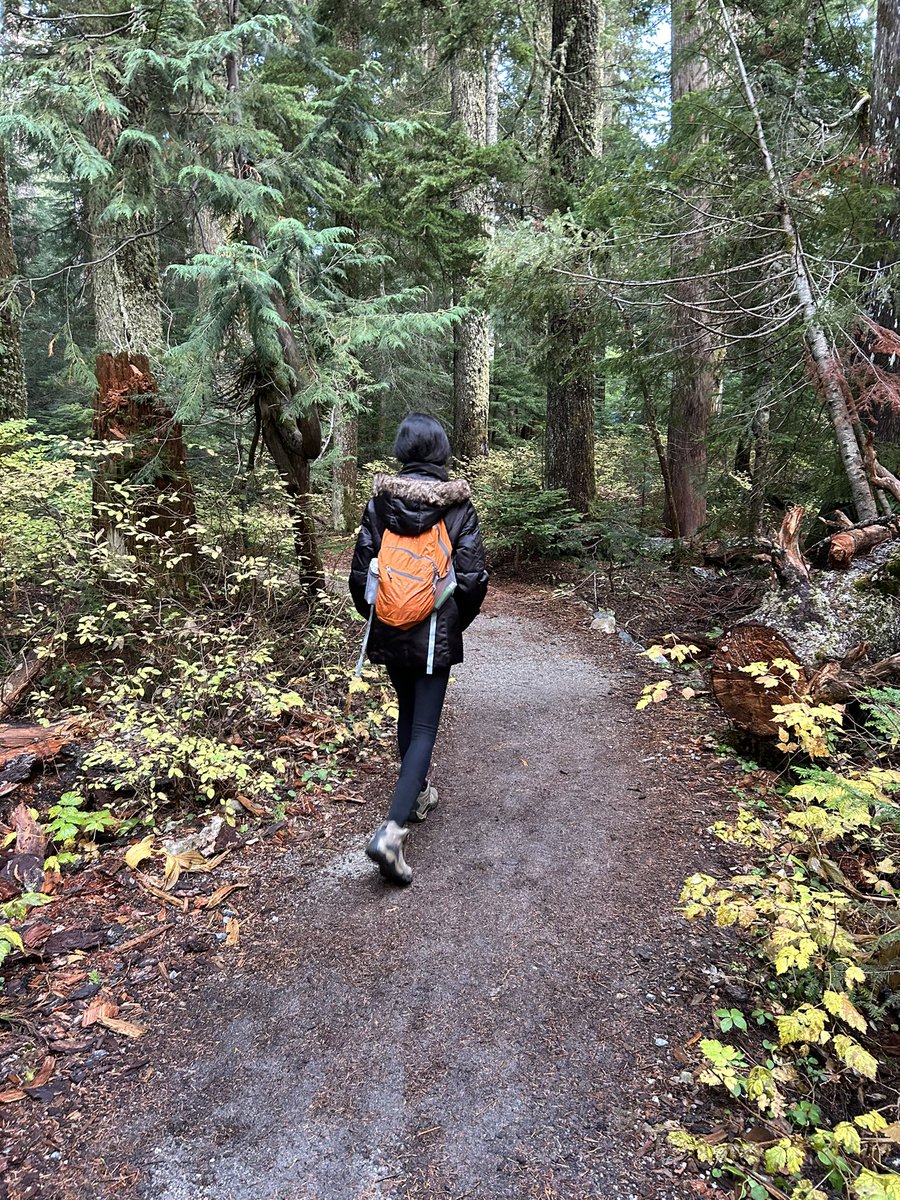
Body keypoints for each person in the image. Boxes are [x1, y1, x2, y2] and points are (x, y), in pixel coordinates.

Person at [349, 414, 488, 885]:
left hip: (389, 626)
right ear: (442, 452)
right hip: (433, 633)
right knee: (425, 725)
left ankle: (418, 793)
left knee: (406, 711)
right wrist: (449, 623)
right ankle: (390, 832)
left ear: (403, 451)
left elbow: (360, 572)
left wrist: (383, 616)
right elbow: (472, 580)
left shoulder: (379, 503)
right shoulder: (458, 508)